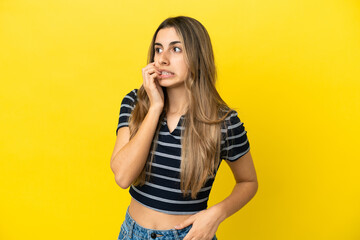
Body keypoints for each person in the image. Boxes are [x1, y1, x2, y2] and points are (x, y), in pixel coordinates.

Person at [110, 16, 258, 240]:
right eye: (158, 50)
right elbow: (122, 177)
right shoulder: (135, 103)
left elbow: (249, 182)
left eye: (176, 49)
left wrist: (216, 214)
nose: (162, 59)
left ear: (197, 57)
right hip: (132, 234)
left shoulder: (223, 122)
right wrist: (155, 108)